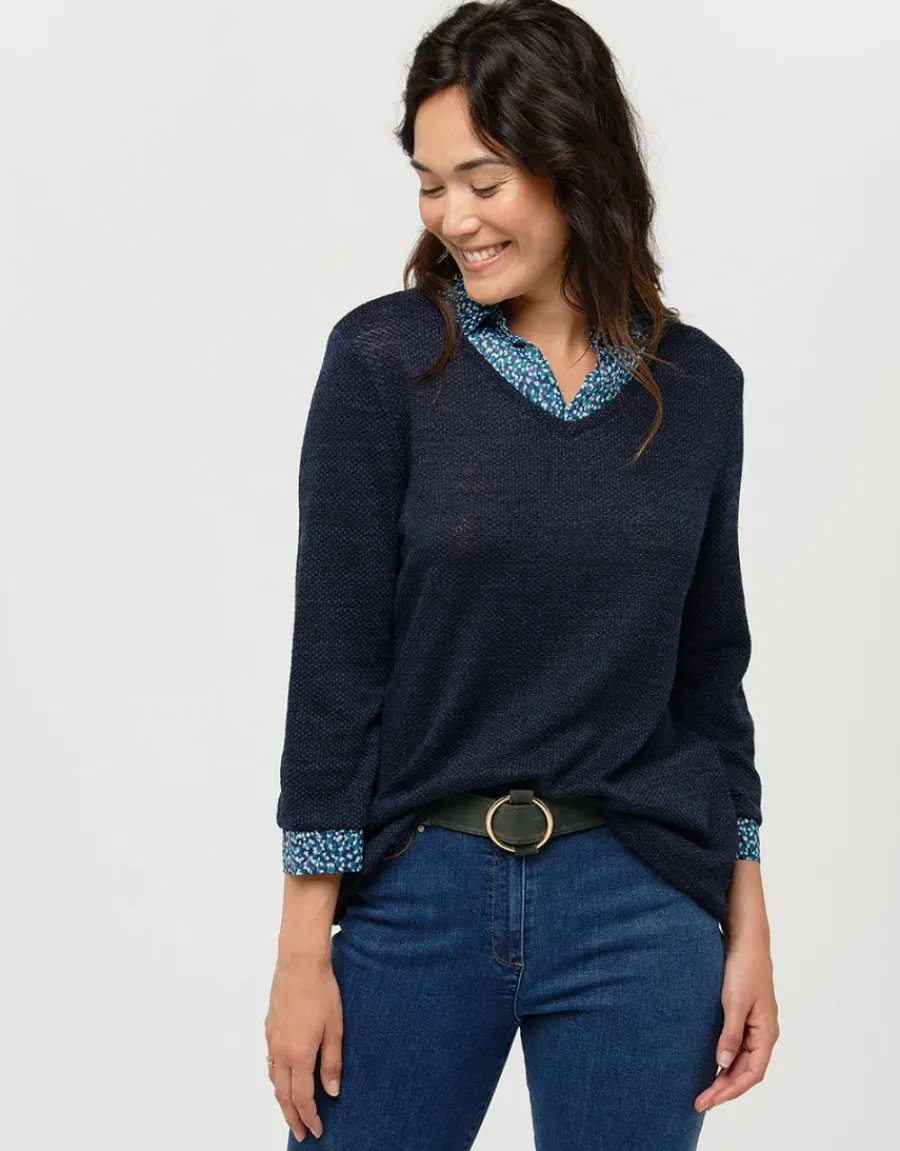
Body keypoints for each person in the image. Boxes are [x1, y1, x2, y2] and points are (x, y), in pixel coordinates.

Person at [264, 1, 779, 1146]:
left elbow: (710, 680)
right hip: (419, 890)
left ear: (574, 163)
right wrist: (303, 950)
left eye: (483, 180)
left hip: (641, 907)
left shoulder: (700, 388)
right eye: (429, 183)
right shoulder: (384, 362)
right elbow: (336, 669)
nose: (453, 216)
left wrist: (748, 922)